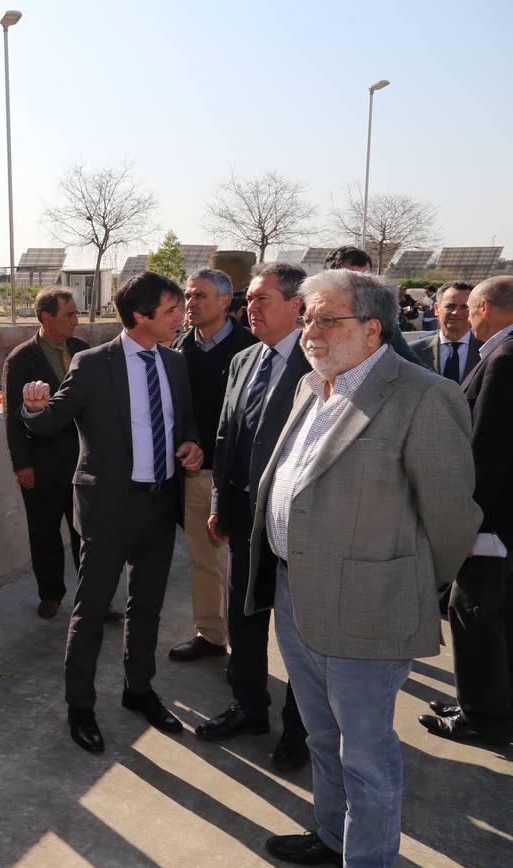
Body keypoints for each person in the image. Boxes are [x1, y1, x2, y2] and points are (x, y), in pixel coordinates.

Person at [249, 269, 479, 867]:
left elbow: (452, 519)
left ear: (373, 328)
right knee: (321, 736)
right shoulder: (311, 386)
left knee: (367, 755)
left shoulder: (424, 396)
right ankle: (331, 837)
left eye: (328, 320)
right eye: (307, 320)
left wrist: (406, 585)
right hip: (295, 597)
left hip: (369, 610)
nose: (310, 333)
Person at [20, 272, 203, 753]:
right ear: (141, 316)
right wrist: (33, 407)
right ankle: (80, 706)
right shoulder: (93, 363)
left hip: (159, 504)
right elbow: (49, 421)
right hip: (107, 508)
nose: (179, 318)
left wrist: (191, 444)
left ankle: (138, 690)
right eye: (169, 312)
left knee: (147, 607)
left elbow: (185, 424)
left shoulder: (176, 363)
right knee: (92, 610)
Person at [198, 264, 310, 770]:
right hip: (244, 514)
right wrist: (221, 503)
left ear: (297, 305)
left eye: (264, 299)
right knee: (244, 615)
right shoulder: (245, 358)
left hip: (296, 521)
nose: (252, 309)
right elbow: (225, 438)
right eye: (250, 299)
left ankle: (302, 730)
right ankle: (249, 706)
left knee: (300, 631)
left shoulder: (322, 360)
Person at [422, 275, 513, 746]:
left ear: (485, 308)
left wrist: (463, 518)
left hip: (492, 523)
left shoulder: (503, 358)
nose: (465, 317)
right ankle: (486, 701)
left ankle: (483, 717)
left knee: (472, 612)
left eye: (470, 308)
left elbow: (487, 450)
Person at [170, 269, 256, 662]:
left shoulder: (252, 349)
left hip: (241, 475)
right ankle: (211, 634)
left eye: (200, 295)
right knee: (204, 559)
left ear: (225, 301)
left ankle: (246, 650)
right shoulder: (177, 350)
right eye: (188, 296)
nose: (192, 302)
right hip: (196, 474)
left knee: (243, 562)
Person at [2, 288, 89, 618]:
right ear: (46, 317)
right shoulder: (22, 359)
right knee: (44, 533)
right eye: (69, 315)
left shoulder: (82, 351)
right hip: (42, 466)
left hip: (83, 463)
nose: (76, 321)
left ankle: (93, 597)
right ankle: (51, 594)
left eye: (76, 313)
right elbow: (12, 417)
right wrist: (22, 464)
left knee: (87, 535)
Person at [323, 245, 426, 367]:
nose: (361, 286)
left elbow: (410, 361)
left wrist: (443, 385)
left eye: (366, 278)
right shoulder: (310, 320)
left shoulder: (382, 320)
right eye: (353, 278)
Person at [412, 281, 480, 382]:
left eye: (465, 307)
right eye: (450, 306)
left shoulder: (488, 351)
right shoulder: (413, 352)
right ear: (436, 309)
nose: (456, 312)